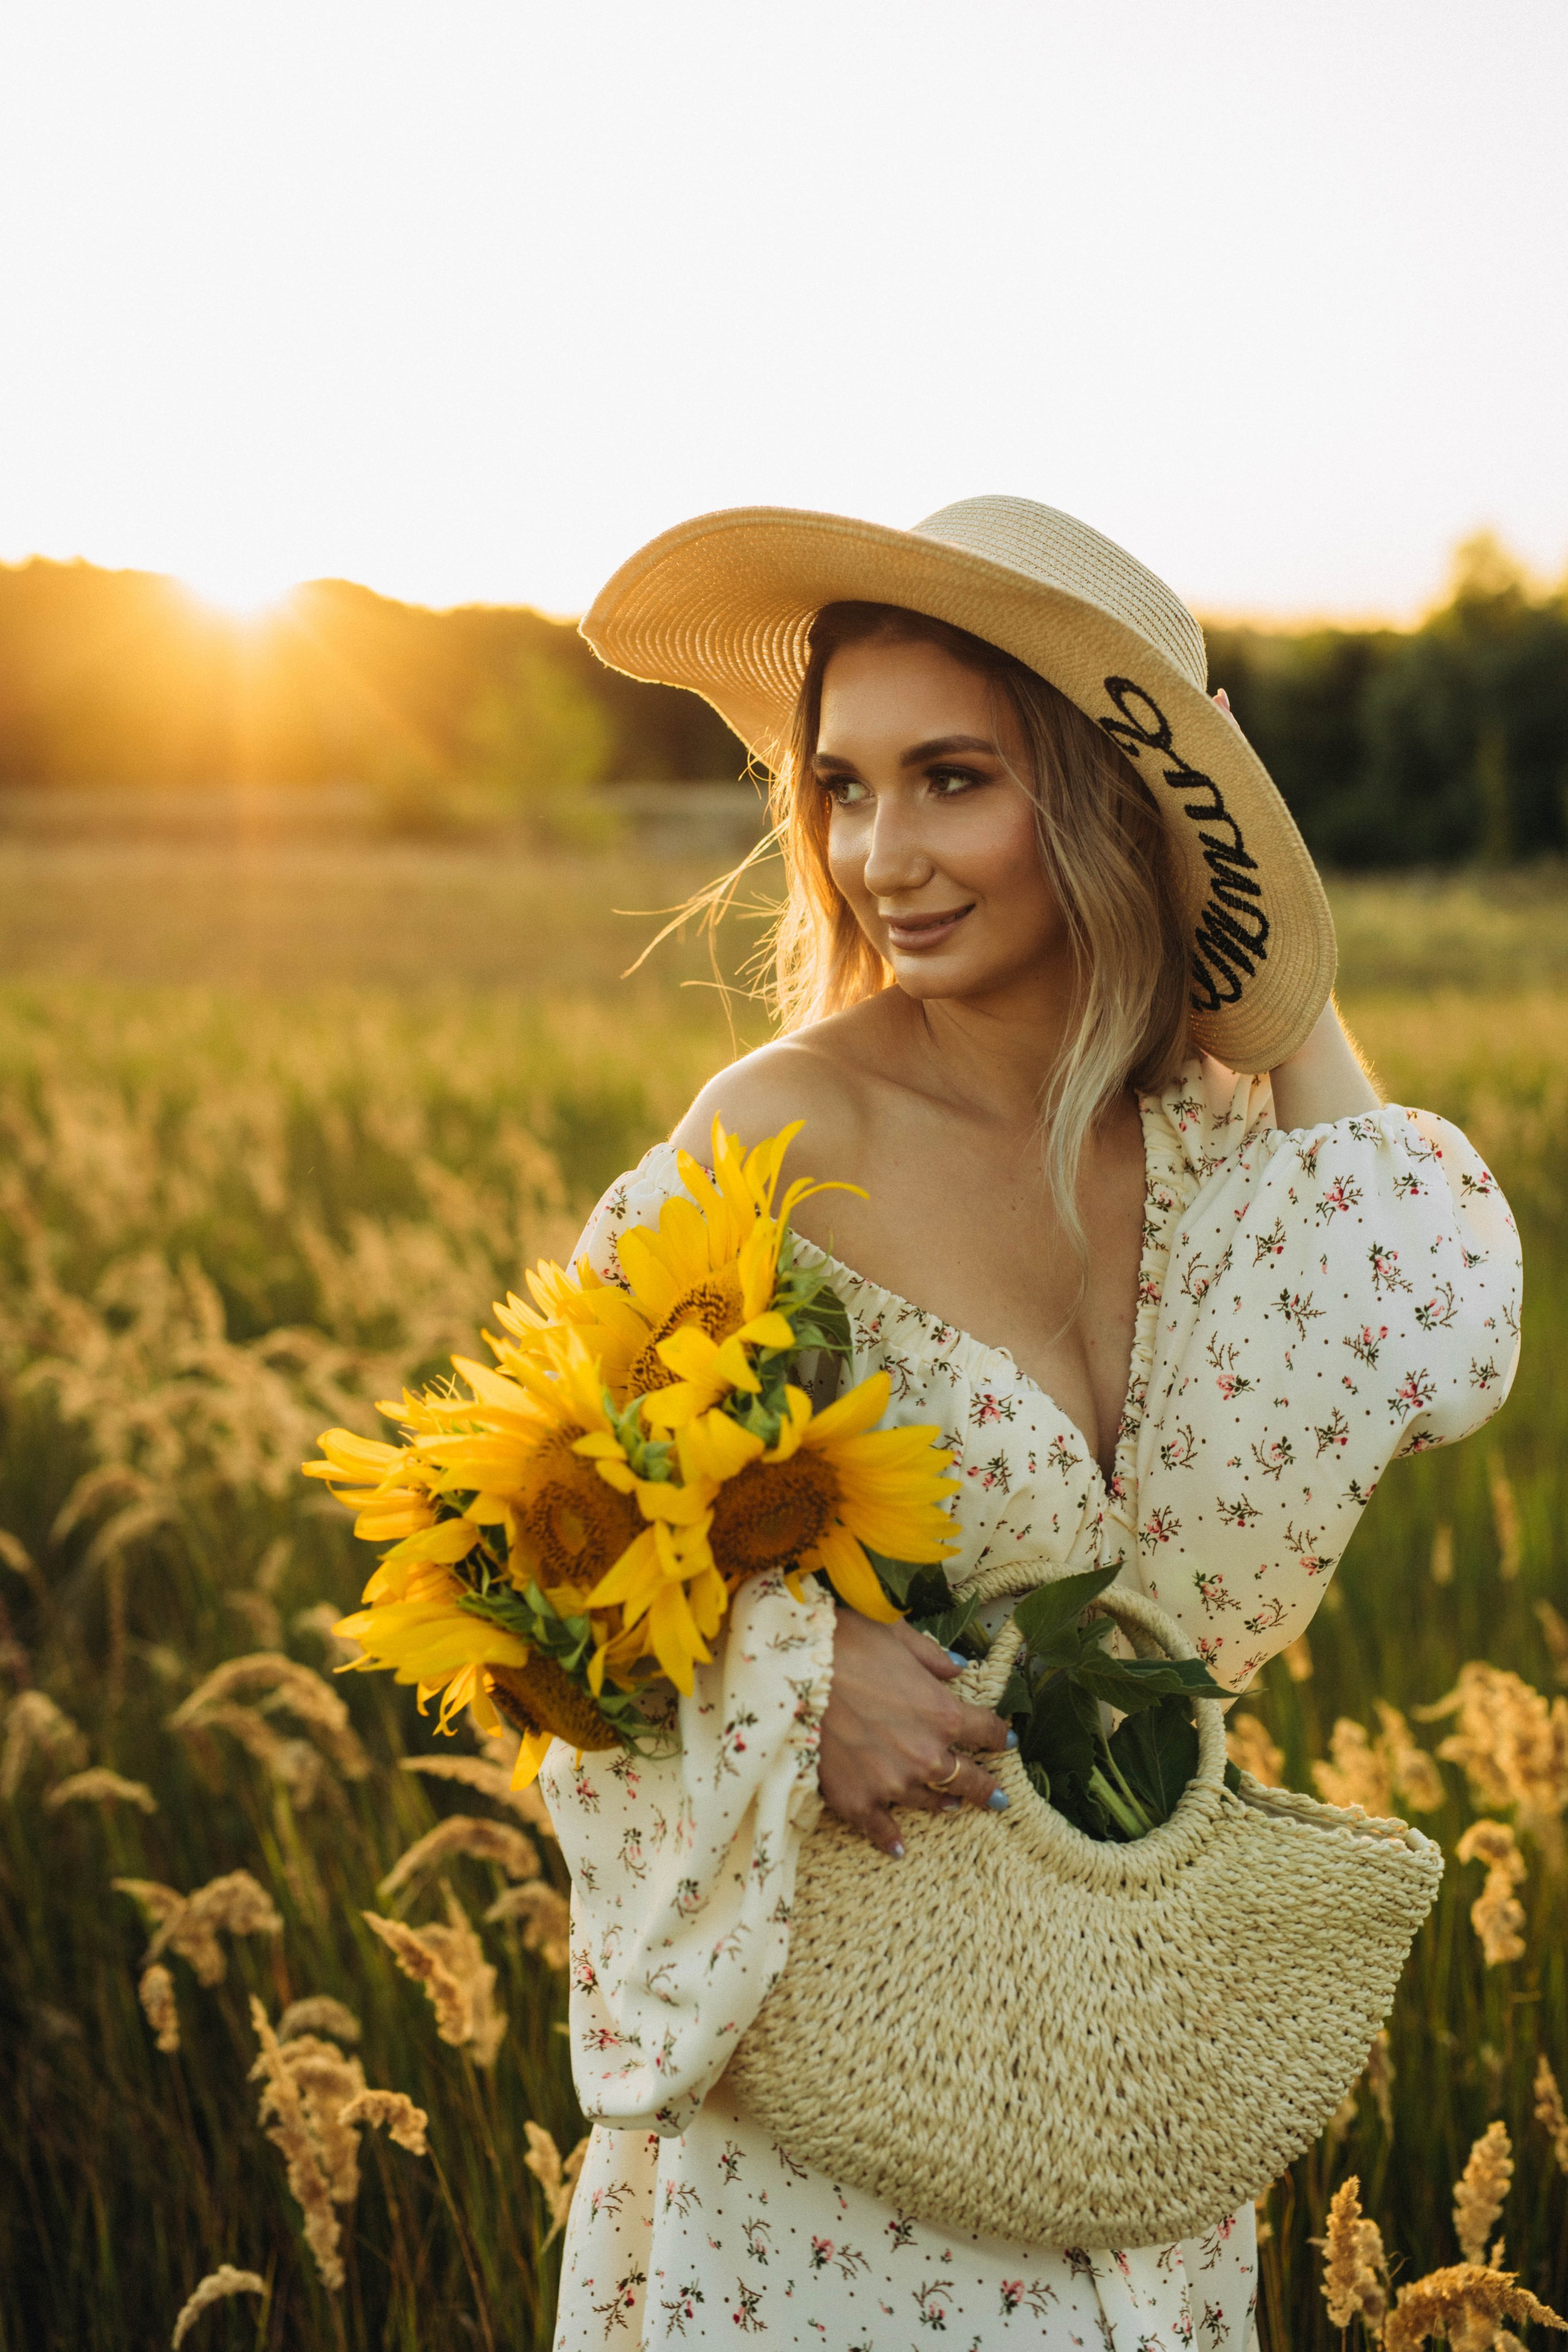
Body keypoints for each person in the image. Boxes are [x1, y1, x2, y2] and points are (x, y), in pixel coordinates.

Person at [541, 497, 1521, 2349]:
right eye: (843, 785)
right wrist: (796, 1662)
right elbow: (524, 1534)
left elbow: (1447, 1342)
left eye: (953, 780)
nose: (878, 853)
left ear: (1103, 805)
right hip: (841, 2128)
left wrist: (1269, 965)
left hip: (1126, 2093)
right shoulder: (782, 1133)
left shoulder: (1225, 1157)